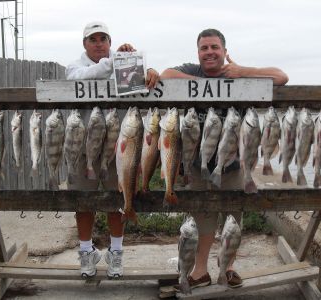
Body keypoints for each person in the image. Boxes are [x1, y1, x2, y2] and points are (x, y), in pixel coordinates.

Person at [161, 28, 288, 289]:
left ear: (224, 51)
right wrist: (204, 83)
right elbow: (165, 75)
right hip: (197, 164)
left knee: (233, 218)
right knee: (201, 217)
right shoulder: (191, 71)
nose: (209, 52)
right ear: (198, 53)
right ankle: (200, 271)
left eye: (214, 47)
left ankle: (228, 267)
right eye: (204, 48)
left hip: (232, 163)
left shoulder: (238, 74)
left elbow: (281, 77)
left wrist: (242, 73)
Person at [66, 21, 159, 278]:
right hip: (83, 149)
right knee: (83, 203)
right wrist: (113, 60)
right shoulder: (76, 67)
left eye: (103, 39)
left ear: (109, 42)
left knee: (116, 200)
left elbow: (146, 82)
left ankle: (115, 253)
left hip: (119, 147)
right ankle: (87, 253)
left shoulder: (121, 67)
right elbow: (78, 78)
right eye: (93, 39)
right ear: (84, 44)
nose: (98, 44)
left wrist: (145, 67)